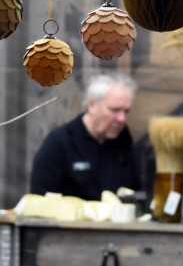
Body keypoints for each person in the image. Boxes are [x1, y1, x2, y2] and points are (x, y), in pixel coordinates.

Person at [30, 71, 140, 200]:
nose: (122, 119)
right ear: (92, 105)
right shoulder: (60, 143)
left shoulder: (125, 144)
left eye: (126, 111)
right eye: (114, 110)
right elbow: (39, 201)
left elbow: (137, 195)